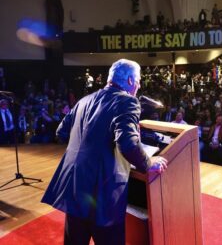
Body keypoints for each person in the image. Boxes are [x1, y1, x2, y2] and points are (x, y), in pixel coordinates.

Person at [42, 59, 168, 245]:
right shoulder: (128, 102)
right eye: (139, 80)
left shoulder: (84, 100)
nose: (139, 85)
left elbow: (61, 132)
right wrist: (149, 164)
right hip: (102, 193)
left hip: (75, 187)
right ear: (131, 81)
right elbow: (128, 144)